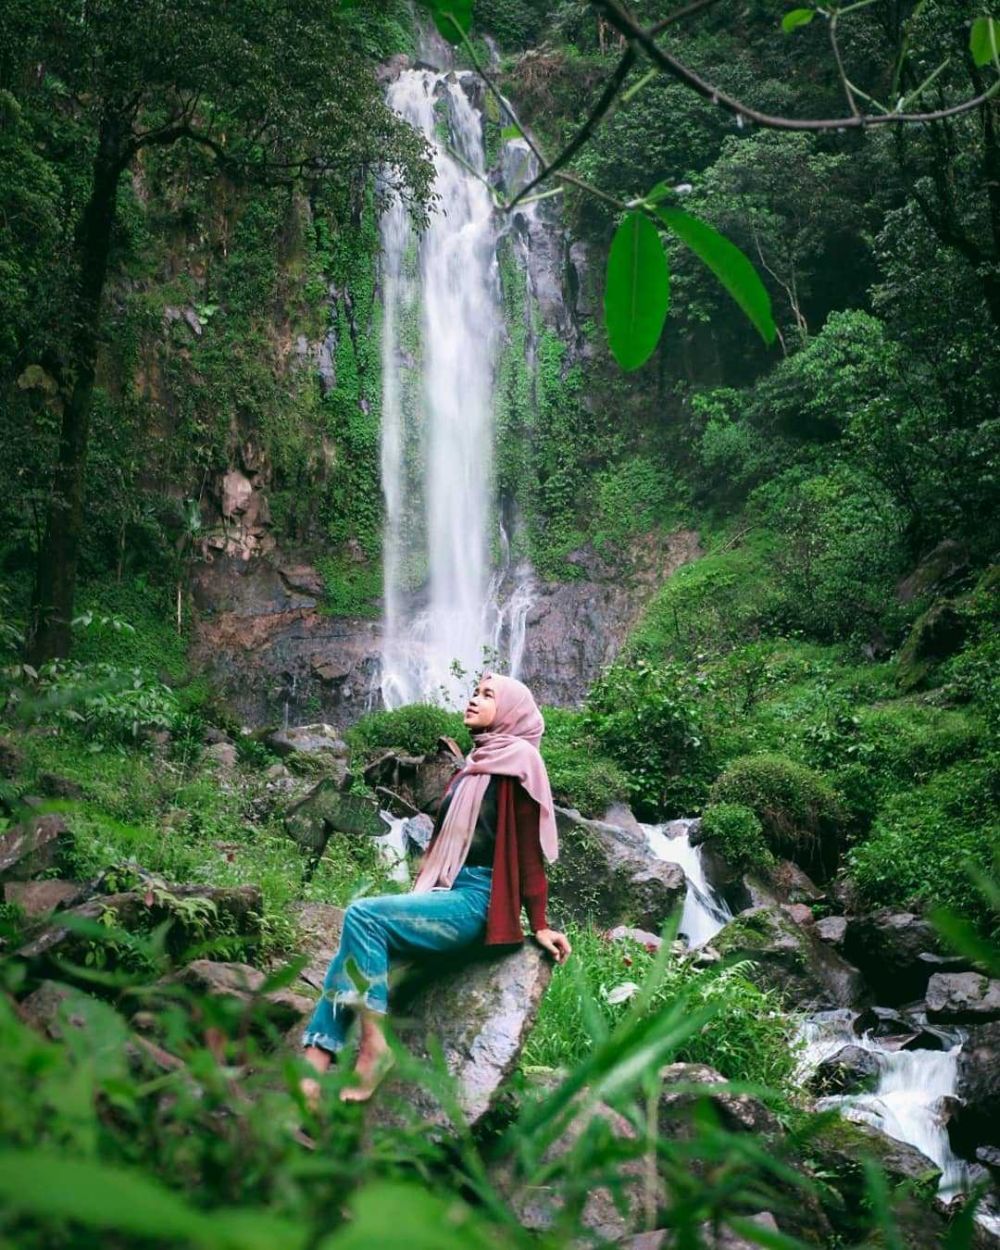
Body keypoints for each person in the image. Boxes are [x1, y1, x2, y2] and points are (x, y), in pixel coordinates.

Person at [299, 670, 572, 1106]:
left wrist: (538, 923)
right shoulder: (471, 768)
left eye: (487, 696)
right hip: (445, 895)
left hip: (476, 901)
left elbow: (528, 852)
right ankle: (312, 1068)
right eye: (474, 692)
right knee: (354, 943)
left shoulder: (519, 762)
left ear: (512, 712)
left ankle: (373, 1048)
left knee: (363, 916)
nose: (474, 700)